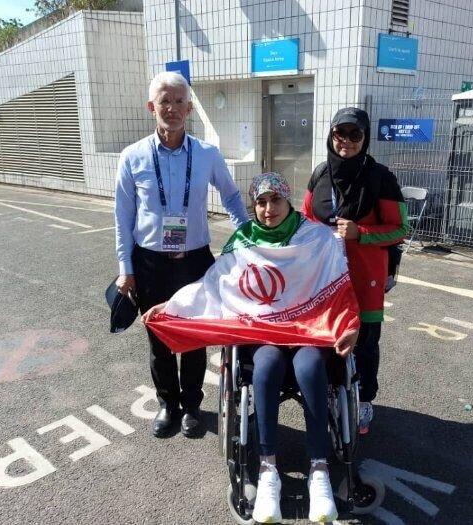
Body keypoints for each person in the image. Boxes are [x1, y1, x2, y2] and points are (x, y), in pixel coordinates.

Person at [145, 173, 359, 523]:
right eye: (260, 202)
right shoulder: (243, 240)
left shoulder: (316, 237)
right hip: (263, 332)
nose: (268, 208)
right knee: (267, 366)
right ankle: (268, 468)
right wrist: (171, 308)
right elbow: (213, 287)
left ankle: (319, 470)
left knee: (309, 367)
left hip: (307, 330)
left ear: (288, 201)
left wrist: (350, 324)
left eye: (275, 200)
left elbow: (339, 285)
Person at [114, 71, 249, 438]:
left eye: (179, 101)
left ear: (189, 108)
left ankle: (191, 406)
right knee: (159, 338)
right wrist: (126, 268)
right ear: (151, 107)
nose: (171, 108)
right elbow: (123, 217)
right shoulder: (132, 156)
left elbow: (231, 195)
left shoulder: (207, 154)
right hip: (150, 263)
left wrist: (248, 236)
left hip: (194, 261)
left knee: (193, 338)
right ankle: (167, 404)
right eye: (164, 101)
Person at [302, 107, 408, 435]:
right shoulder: (321, 173)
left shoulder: (381, 177)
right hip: (326, 277)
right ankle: (333, 391)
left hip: (365, 278)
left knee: (365, 343)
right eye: (340, 133)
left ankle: (364, 401)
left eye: (355, 134)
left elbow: (399, 229)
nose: (346, 140)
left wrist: (360, 233)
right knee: (328, 338)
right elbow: (305, 219)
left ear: (365, 138)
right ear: (331, 135)